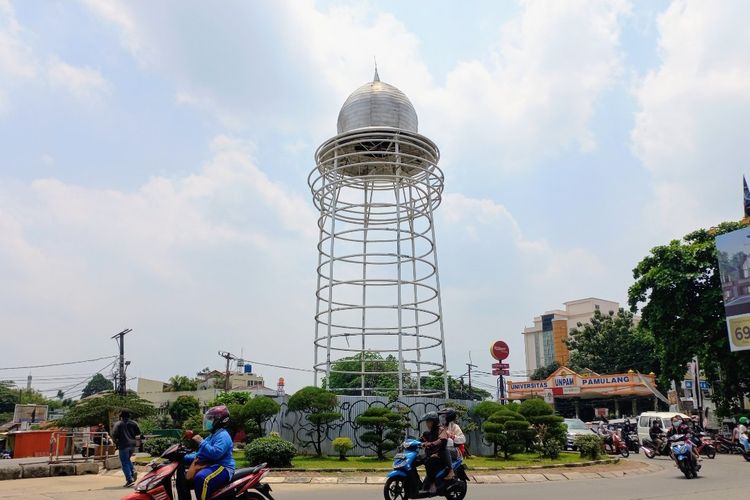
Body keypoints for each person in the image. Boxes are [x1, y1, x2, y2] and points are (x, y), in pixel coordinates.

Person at [183, 405, 235, 500]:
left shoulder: (223, 435)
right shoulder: (212, 436)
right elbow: (199, 454)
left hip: (223, 467)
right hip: (211, 465)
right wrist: (182, 457)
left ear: (219, 420)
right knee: (183, 476)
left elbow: (215, 454)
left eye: (210, 419)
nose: (208, 421)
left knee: (202, 478)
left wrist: (201, 442)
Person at [419, 412, 449, 493]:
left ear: (434, 421)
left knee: (429, 462)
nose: (427, 424)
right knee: (416, 460)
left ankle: (432, 484)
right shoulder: (427, 433)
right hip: (429, 454)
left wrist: (430, 444)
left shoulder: (441, 430)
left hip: (439, 455)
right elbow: (420, 440)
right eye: (426, 422)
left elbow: (441, 440)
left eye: (429, 421)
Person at [112, 410, 141, 487]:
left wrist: (116, 443)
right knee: (127, 459)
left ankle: (129, 480)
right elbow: (138, 433)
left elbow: (114, 434)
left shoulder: (118, 424)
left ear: (121, 416)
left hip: (123, 445)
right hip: (132, 445)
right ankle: (133, 471)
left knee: (124, 462)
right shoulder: (134, 423)